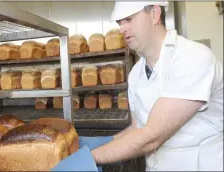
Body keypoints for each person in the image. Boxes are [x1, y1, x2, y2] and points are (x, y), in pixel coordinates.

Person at [90, 1, 223, 171]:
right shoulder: (136, 74)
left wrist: (91, 157)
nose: (122, 29)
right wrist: (105, 143)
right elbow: (138, 128)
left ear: (154, 14)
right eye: (119, 23)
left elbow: (151, 136)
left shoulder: (193, 57)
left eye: (129, 19)